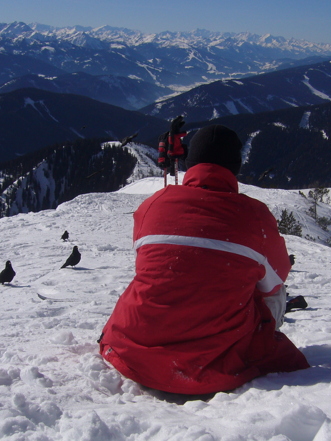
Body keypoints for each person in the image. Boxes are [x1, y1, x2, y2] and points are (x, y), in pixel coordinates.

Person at [99, 124, 309, 395]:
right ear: (236, 166)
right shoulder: (254, 216)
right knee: (272, 289)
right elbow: (276, 280)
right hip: (214, 361)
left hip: (133, 349)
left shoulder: (153, 205)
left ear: (190, 161)